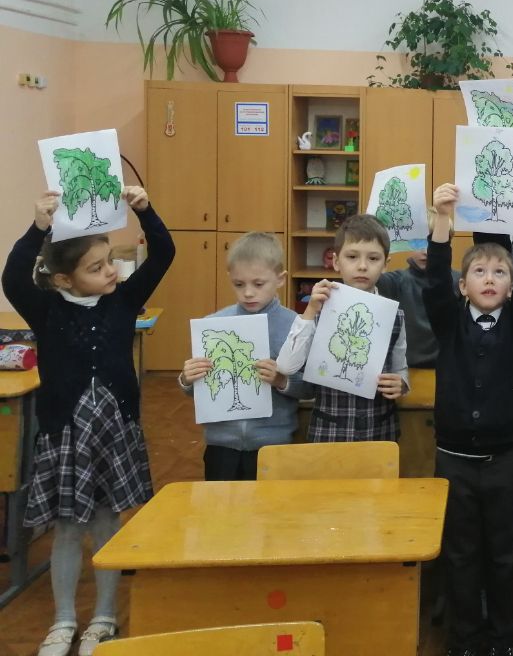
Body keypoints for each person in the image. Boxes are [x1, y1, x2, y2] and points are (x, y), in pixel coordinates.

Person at [3, 188, 174, 656]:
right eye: (96, 268)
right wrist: (38, 227)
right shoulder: (46, 308)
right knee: (67, 527)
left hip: (114, 431)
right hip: (66, 434)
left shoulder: (125, 299)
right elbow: (13, 277)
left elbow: (164, 253)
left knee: (106, 521)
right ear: (64, 278)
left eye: (110, 261)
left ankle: (104, 616)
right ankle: (63, 620)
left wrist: (145, 211)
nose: (111, 272)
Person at [425, 183, 513, 656]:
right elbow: (434, 282)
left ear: (511, 287)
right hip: (454, 461)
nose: (490, 278)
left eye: (500, 272)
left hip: (505, 462)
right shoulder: (449, 322)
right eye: (479, 271)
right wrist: (442, 220)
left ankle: (503, 638)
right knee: (460, 555)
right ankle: (464, 639)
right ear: (464, 285)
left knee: (503, 554)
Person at [179, 232, 310, 480]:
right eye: (239, 284)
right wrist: (187, 379)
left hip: (272, 444)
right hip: (221, 445)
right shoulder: (214, 324)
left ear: (280, 279)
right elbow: (197, 390)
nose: (248, 293)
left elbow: (310, 388)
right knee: (222, 504)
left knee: (268, 505)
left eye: (258, 284)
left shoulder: (295, 327)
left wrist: (282, 381)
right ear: (230, 278)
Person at [276, 214, 408, 439]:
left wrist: (401, 383)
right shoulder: (318, 308)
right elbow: (287, 366)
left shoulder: (395, 315)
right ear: (337, 262)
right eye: (352, 257)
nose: (362, 266)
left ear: (385, 264)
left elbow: (400, 368)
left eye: (373, 258)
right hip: (329, 431)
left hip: (379, 431)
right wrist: (310, 311)